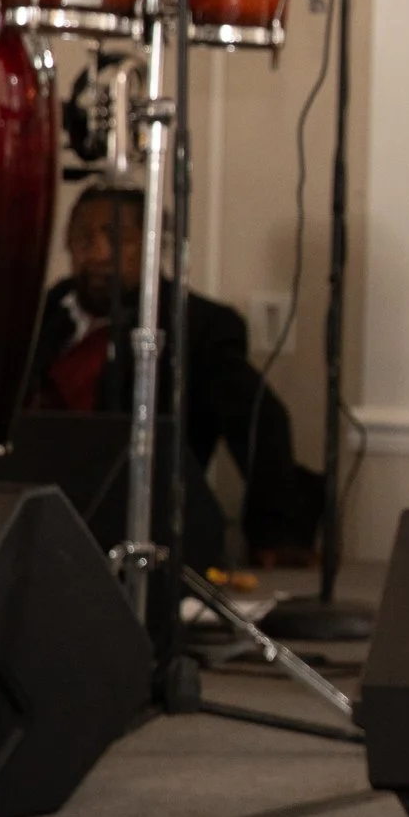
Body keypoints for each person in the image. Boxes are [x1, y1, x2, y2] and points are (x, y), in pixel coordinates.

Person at [30, 184, 325, 566]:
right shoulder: (38, 318)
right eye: (84, 239)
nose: (99, 254)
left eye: (117, 238)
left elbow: (261, 421)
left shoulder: (197, 327)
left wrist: (278, 531)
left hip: (138, 525)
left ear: (153, 246)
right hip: (37, 517)